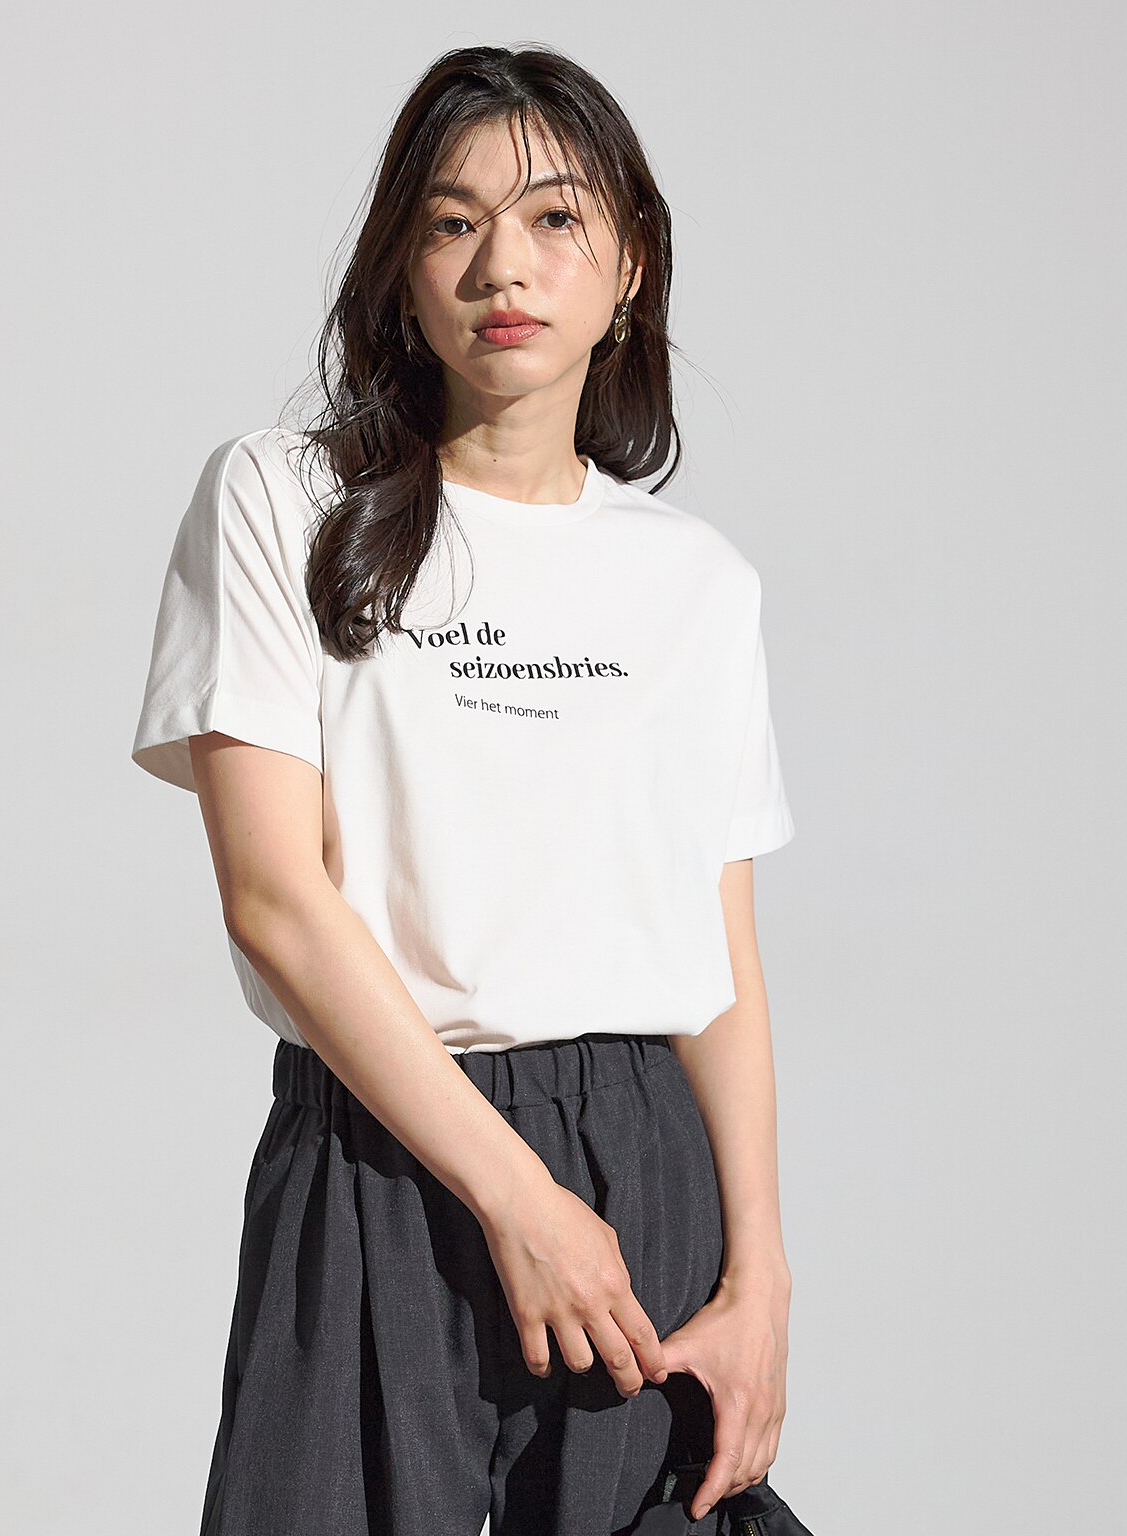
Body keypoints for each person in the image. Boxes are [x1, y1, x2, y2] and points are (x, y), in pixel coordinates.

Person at [131, 43, 797, 1536]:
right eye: (453, 221)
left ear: (632, 265)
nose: (504, 264)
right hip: (381, 1141)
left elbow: (722, 959)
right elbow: (275, 900)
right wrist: (514, 1197)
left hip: (641, 1165)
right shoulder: (283, 498)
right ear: (402, 268)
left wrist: (761, 1276)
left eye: (557, 218)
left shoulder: (695, 583)